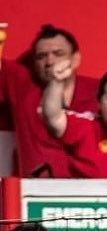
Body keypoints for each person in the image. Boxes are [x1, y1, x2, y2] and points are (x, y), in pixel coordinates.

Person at [0, 23, 98, 177]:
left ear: (75, 59)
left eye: (58, 54)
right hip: (34, 195)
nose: (50, 62)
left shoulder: (100, 92)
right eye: (41, 56)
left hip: (91, 195)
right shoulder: (22, 86)